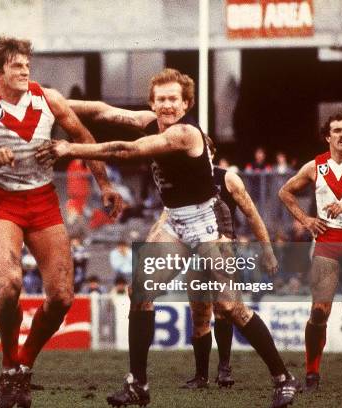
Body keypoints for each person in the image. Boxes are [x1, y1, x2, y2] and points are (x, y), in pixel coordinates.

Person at [37, 68, 298, 408]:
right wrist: (47, 101)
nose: (166, 106)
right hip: (175, 222)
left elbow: (126, 151)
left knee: (231, 307)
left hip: (206, 226)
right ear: (152, 102)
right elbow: (102, 110)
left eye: (174, 99)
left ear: (186, 103)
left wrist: (71, 148)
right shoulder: (151, 120)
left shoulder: (186, 134)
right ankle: (138, 385)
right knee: (140, 291)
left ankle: (283, 378)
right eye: (160, 99)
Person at [0, 35, 122, 408]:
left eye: (27, 64)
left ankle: (24, 366)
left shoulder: (49, 99)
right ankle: (10, 367)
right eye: (16, 65)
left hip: (43, 201)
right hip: (3, 203)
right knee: (9, 285)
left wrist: (104, 184)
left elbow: (83, 136)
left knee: (61, 297)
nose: (25, 70)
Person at [279, 112, 342, 392]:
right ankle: (312, 374)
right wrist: (306, 219)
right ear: (328, 136)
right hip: (327, 242)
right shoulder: (316, 166)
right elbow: (285, 192)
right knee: (319, 309)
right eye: (337, 130)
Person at [175, 135, 279, 389]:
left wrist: (267, 250)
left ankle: (224, 368)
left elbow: (252, 215)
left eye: (203, 151)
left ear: (210, 153)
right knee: (199, 312)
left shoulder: (228, 178)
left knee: (226, 309)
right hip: (194, 253)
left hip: (223, 251)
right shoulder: (181, 181)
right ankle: (201, 376)